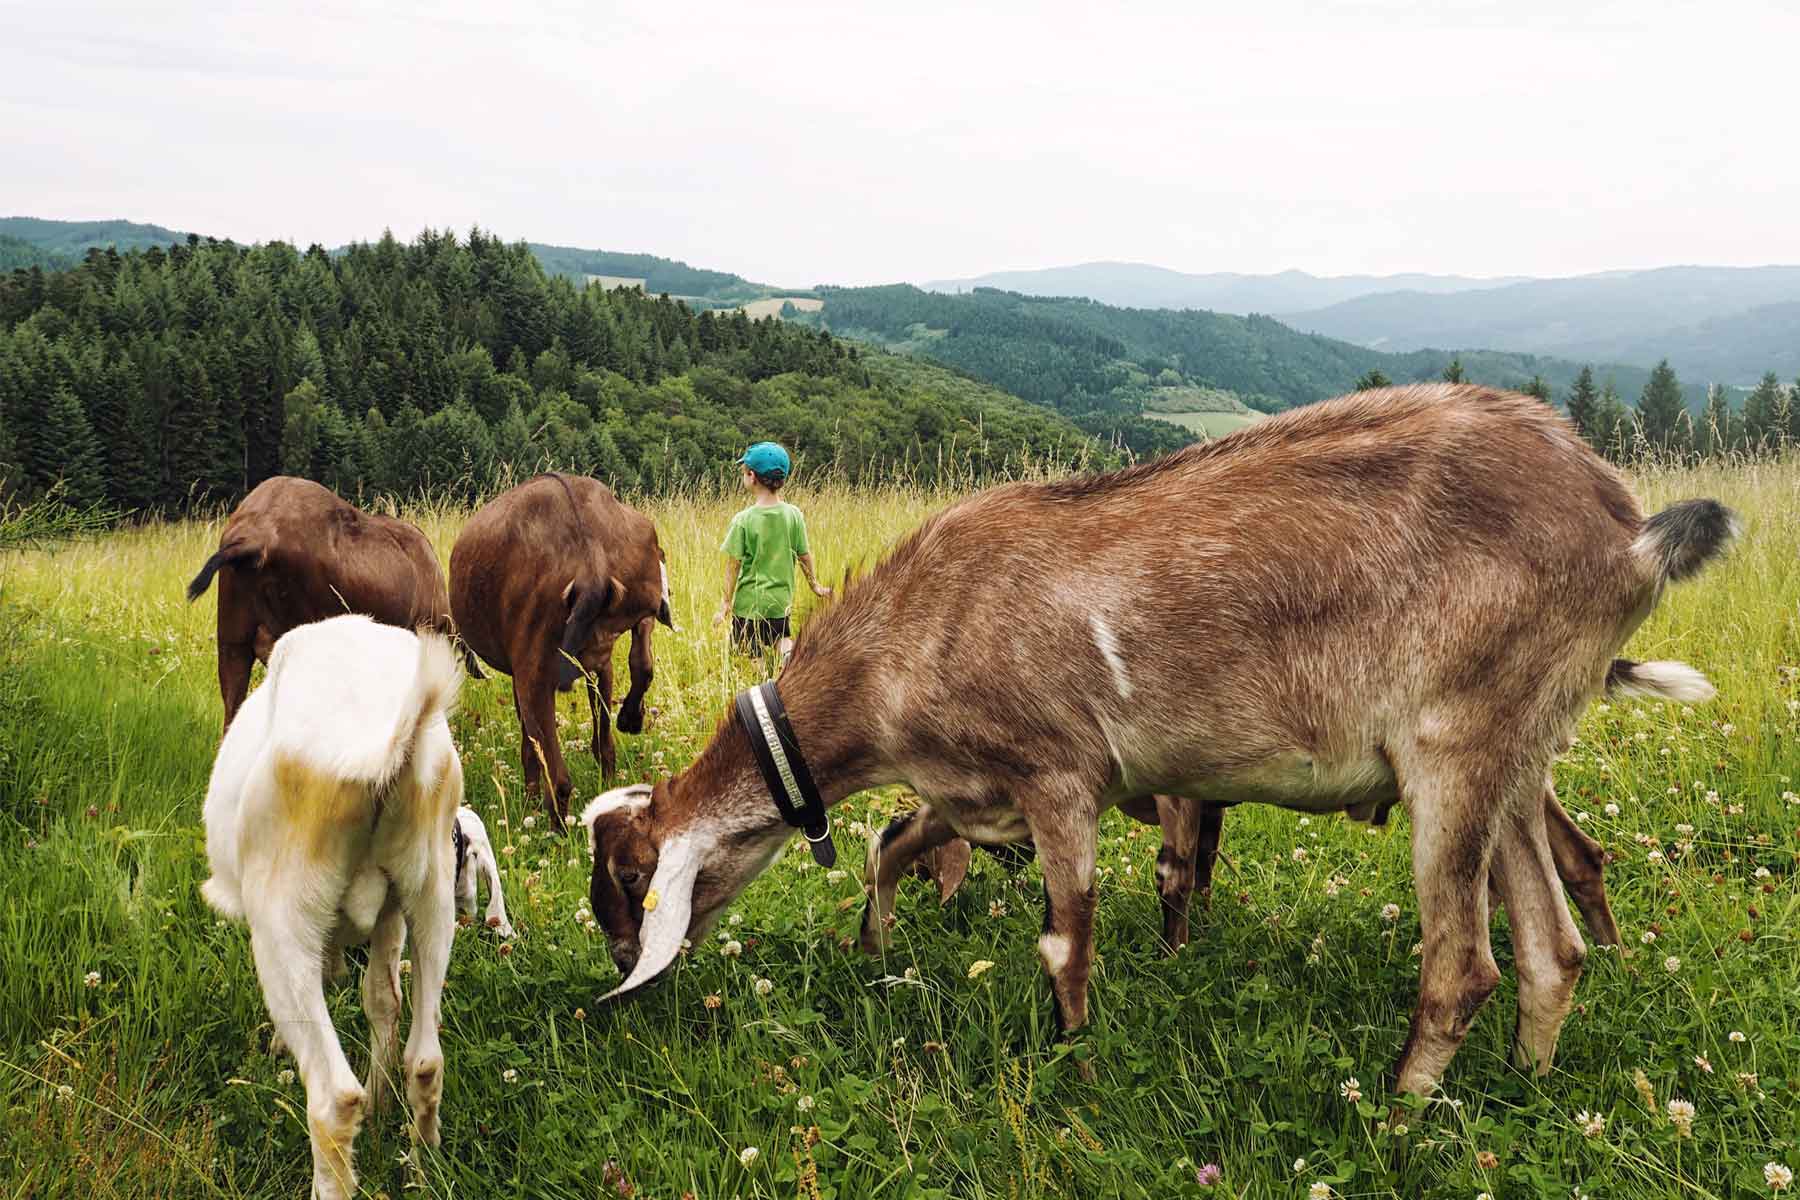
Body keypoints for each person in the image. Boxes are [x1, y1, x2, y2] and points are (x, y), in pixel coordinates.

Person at [714, 442, 830, 662]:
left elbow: (733, 565)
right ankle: (791, 658)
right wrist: (814, 584)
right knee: (782, 638)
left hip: (749, 606)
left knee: (748, 652)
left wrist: (726, 602)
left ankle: (760, 680)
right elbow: (804, 555)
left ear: (751, 476)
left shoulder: (743, 520)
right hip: (780, 603)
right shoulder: (793, 515)